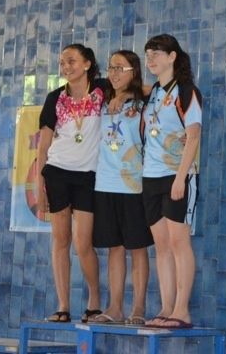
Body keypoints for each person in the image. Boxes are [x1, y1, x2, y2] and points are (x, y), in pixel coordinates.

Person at [36, 43, 104, 323]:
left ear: (87, 64)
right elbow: (43, 147)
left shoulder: (102, 90)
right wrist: (39, 185)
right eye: (62, 62)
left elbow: (136, 90)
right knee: (60, 240)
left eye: (72, 61)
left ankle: (94, 301)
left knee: (83, 242)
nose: (66, 67)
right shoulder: (55, 98)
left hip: (87, 175)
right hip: (57, 172)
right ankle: (63, 305)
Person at [141, 34, 202, 329]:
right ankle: (166, 308)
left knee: (179, 242)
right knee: (161, 245)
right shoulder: (153, 92)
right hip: (150, 177)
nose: (150, 59)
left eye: (156, 53)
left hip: (177, 176)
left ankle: (182, 309)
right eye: (147, 54)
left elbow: (194, 135)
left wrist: (180, 177)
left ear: (172, 56)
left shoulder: (187, 90)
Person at [89, 50, 154, 325]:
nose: (113, 73)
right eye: (111, 67)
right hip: (105, 184)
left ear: (134, 71)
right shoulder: (102, 99)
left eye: (120, 68)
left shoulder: (145, 102)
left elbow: (160, 88)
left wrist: (129, 94)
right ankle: (114, 307)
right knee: (114, 248)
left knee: (137, 247)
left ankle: (138, 308)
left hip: (134, 185)